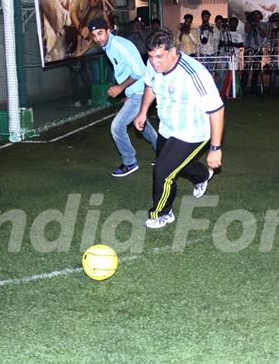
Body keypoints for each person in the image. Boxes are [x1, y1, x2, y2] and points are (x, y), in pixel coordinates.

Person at [134, 28, 225, 229]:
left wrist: (215, 148)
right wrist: (142, 111)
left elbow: (216, 110)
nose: (154, 62)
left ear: (173, 50)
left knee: (162, 171)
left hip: (193, 132)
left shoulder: (195, 74)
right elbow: (150, 85)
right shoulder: (153, 65)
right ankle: (202, 175)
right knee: (177, 164)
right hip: (167, 128)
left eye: (159, 56)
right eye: (150, 56)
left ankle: (162, 213)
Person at [88, 18, 157, 177]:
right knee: (141, 123)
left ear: (108, 31)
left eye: (100, 33)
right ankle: (163, 152)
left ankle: (129, 162)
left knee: (117, 127)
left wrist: (121, 88)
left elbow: (139, 71)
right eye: (94, 35)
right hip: (135, 91)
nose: (98, 38)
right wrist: (127, 93)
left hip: (141, 91)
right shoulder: (108, 46)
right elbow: (126, 70)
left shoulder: (118, 46)